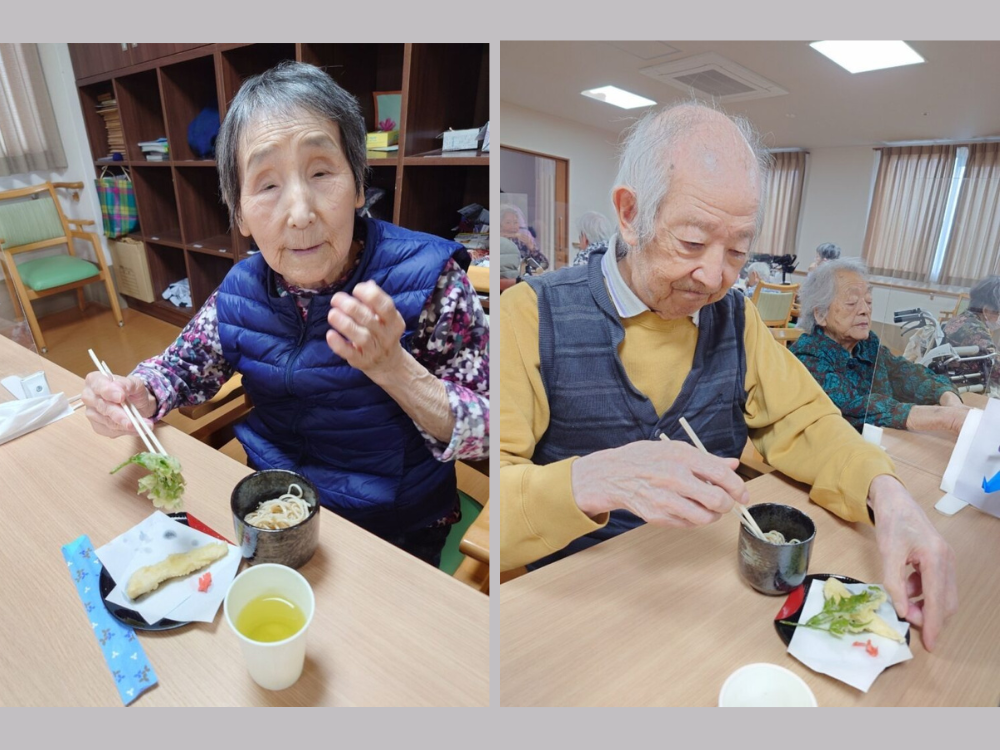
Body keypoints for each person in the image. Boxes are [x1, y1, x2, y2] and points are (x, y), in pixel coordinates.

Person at [495, 102, 956, 650]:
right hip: (585, 607)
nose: (715, 276)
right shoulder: (529, 314)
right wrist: (590, 480)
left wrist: (890, 497)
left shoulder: (734, 317)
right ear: (629, 213)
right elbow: (493, 509)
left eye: (738, 250)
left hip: (708, 595)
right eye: (691, 242)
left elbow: (806, 422)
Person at [81, 62, 489, 567]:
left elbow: (492, 427)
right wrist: (136, 393)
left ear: (359, 186)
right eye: (267, 185)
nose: (300, 213)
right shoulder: (243, 288)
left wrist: (395, 370)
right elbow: (178, 371)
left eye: (321, 172)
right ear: (240, 215)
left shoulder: (432, 280)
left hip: (392, 530)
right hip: (271, 511)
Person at [792, 258, 968, 435]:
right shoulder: (807, 356)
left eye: (868, 301)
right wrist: (945, 417)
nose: (865, 310)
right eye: (851, 303)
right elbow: (854, 407)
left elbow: (906, 374)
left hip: (882, 443)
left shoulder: (866, 345)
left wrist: (949, 399)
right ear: (821, 314)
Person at [942, 275, 1000, 390]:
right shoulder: (975, 331)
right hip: (960, 388)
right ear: (987, 310)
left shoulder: (962, 319)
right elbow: (996, 369)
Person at [499, 203, 548, 275]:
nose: (513, 226)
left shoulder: (521, 242)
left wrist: (532, 248)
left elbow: (544, 265)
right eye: (508, 222)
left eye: (515, 222)